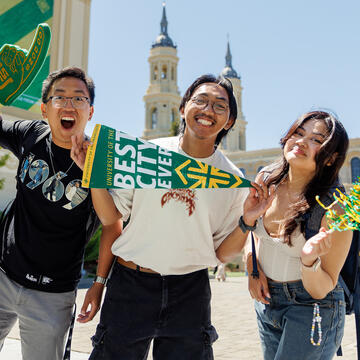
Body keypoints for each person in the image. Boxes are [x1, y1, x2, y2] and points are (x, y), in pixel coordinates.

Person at [71, 74, 274, 359]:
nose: (207, 110)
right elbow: (110, 217)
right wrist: (93, 175)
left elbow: (223, 253)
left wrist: (247, 220)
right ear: (183, 108)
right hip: (131, 286)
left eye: (219, 105)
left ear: (229, 121)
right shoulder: (147, 153)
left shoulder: (232, 179)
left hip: (189, 292)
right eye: (200, 100)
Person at [0, 66, 122, 360]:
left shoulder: (101, 161)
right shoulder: (31, 134)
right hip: (4, 275)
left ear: (90, 112)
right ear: (45, 108)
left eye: (79, 99)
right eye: (60, 97)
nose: (69, 105)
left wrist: (98, 284)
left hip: (52, 296)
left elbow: (112, 224)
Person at [243, 111, 352, 359]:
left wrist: (309, 260)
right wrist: (252, 269)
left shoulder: (336, 208)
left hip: (314, 308)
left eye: (316, 140)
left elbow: (324, 286)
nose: (301, 141)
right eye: (299, 133)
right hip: (267, 302)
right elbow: (255, 235)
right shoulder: (266, 180)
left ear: (330, 158)